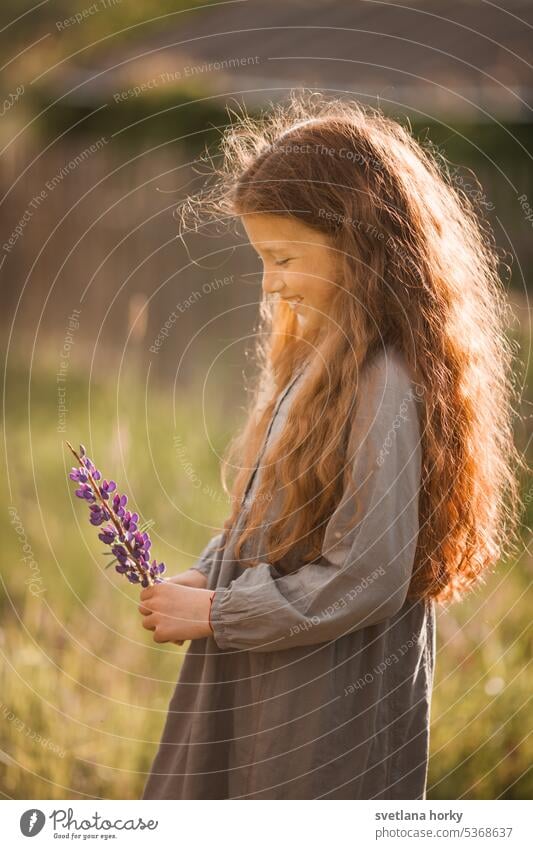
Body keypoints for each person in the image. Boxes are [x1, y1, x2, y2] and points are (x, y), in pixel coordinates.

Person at [138, 92, 522, 799]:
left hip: (322, 706)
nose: (269, 283)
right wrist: (209, 574)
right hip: (261, 678)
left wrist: (221, 612)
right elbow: (272, 512)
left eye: (282, 257)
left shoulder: (386, 382)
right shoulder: (316, 360)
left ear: (356, 241)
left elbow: (367, 576)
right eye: (261, 259)